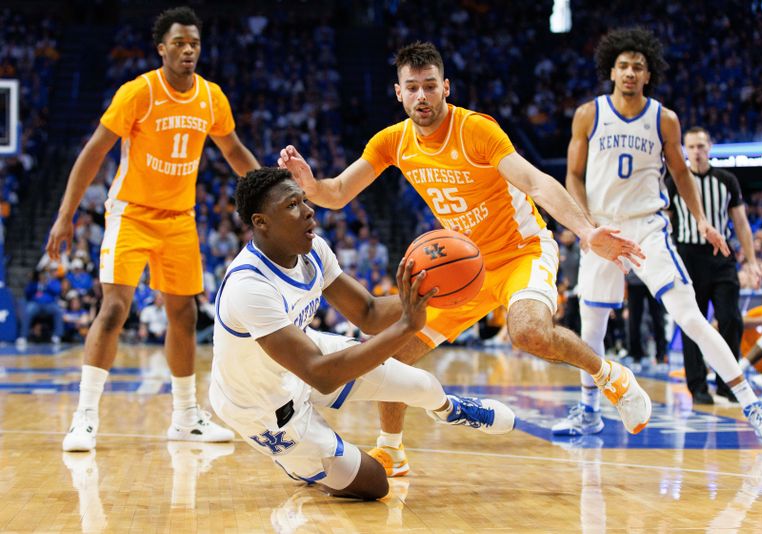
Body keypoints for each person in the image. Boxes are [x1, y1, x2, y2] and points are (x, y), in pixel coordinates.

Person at [280, 41, 652, 477]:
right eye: (413, 87)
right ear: (398, 93)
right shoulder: (392, 142)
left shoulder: (476, 130)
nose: (422, 96)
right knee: (393, 351)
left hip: (521, 252)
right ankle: (391, 450)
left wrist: (587, 232)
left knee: (528, 332)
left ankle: (610, 376)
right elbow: (339, 193)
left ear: (446, 88)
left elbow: (535, 181)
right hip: (466, 268)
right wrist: (310, 185)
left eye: (430, 86)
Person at [210, 167, 515, 500]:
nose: (309, 210)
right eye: (292, 204)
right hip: (260, 402)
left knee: (420, 385)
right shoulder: (249, 286)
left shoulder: (312, 249)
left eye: (304, 200)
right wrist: (405, 327)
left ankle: (449, 410)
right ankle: (297, 462)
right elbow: (320, 376)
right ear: (260, 222)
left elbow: (367, 313)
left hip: (303, 356)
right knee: (374, 484)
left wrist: (425, 293)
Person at [48, 7, 260, 452]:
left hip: (179, 218)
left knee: (183, 314)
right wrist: (66, 213)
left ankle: (185, 417)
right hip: (131, 212)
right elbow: (93, 153)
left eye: (195, 44)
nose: (188, 50)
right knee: (114, 309)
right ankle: (85, 417)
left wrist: (270, 194)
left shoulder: (211, 97)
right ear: (161, 48)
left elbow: (234, 149)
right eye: (179, 43)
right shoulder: (138, 92)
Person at [562, 27, 762, 445]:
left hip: (647, 226)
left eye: (639, 67)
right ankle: (587, 410)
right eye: (624, 66)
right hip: (601, 228)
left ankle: (752, 405)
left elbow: (681, 173)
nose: (630, 73)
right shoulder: (588, 114)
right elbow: (573, 176)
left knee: (690, 317)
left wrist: (701, 219)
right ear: (611, 70)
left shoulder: (664, 118)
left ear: (648, 76)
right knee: (591, 327)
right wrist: (587, 227)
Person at [665, 126, 761, 404]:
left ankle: (727, 383)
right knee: (692, 321)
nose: (697, 152)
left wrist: (752, 261)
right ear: (685, 149)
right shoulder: (675, 181)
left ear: (710, 148)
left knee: (731, 317)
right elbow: (666, 223)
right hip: (687, 255)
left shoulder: (727, 180)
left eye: (701, 146)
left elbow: (741, 223)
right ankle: (697, 386)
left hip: (721, 255)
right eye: (691, 147)